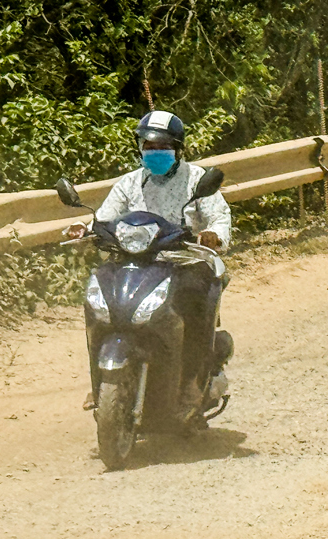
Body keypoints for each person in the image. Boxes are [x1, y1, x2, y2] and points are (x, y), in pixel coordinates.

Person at [66, 110, 233, 417]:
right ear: (139, 147)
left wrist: (212, 235)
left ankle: (191, 385)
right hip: (133, 262)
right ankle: (101, 377)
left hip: (183, 263)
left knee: (195, 301)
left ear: (177, 148)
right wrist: (84, 228)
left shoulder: (197, 181)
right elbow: (103, 217)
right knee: (97, 296)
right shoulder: (129, 184)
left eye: (162, 145)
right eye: (148, 145)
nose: (154, 151)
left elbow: (219, 218)